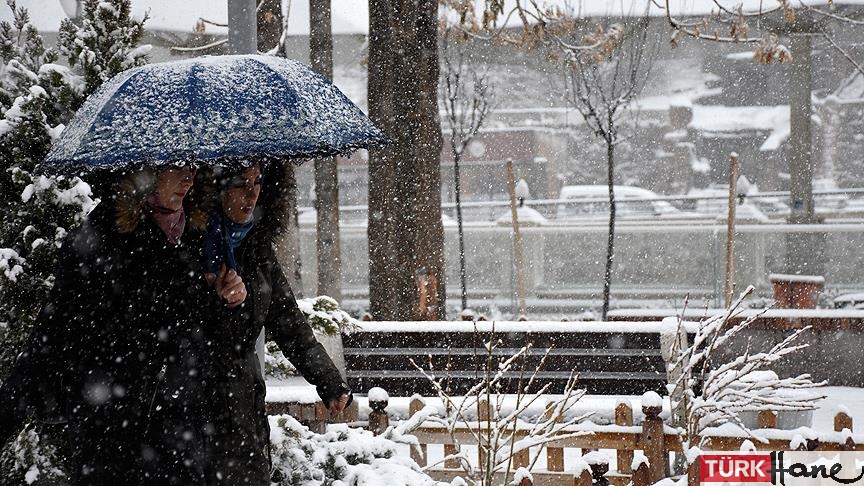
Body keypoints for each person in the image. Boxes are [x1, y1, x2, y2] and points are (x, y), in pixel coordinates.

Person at [0, 166, 221, 485]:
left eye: (193, 168)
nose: (189, 178)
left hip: (179, 436)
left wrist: (225, 298)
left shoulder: (201, 238)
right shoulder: (102, 238)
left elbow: (200, 338)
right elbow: (52, 333)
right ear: (149, 170)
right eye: (177, 167)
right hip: (109, 434)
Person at [179, 162, 351, 484]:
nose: (252, 192)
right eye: (240, 183)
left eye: (258, 181)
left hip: (245, 410)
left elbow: (289, 322)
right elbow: (177, 330)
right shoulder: (189, 246)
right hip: (194, 415)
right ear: (215, 189)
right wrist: (216, 300)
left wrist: (328, 380)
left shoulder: (256, 248)